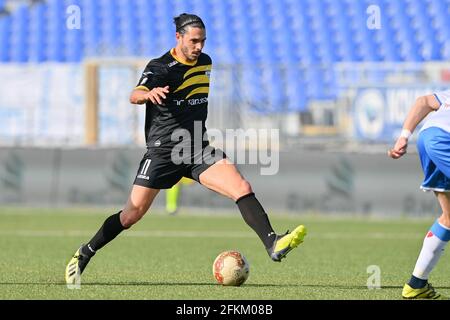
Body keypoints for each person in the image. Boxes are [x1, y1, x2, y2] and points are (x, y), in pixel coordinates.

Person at [65, 13, 306, 286]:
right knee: (131, 215)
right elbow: (135, 94)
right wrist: (147, 95)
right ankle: (86, 251)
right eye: (193, 41)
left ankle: (272, 242)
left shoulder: (205, 62)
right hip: (163, 152)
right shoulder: (160, 67)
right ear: (178, 37)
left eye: (202, 41)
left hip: (197, 148)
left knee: (241, 186)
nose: (199, 47)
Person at [389, 89, 450, 299]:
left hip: (427, 137)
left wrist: (403, 137)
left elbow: (423, 101)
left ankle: (416, 285)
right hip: (445, 141)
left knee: (449, 219)